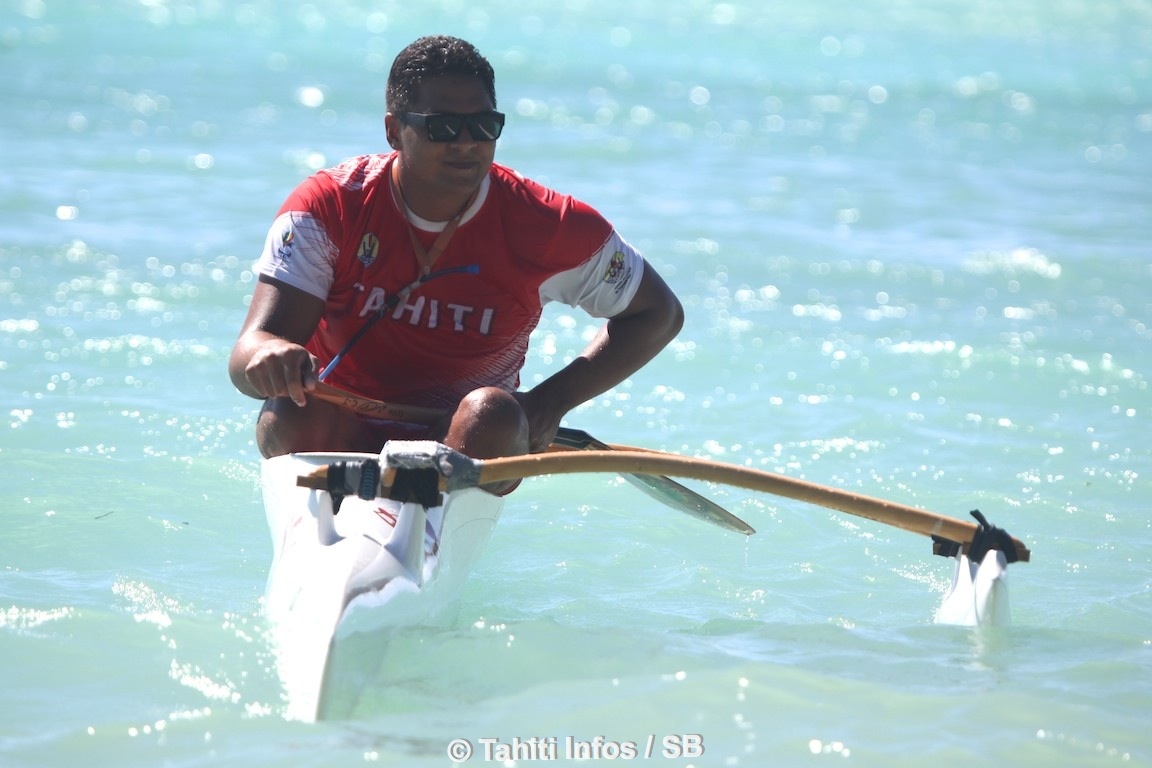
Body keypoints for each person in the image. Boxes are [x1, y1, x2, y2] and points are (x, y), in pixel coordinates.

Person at [228, 35, 683, 492]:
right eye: (442, 127)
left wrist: (550, 402)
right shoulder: (328, 207)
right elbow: (248, 353)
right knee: (288, 413)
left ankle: (432, 502)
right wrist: (268, 356)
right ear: (393, 131)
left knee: (493, 412)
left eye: (484, 125)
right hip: (340, 426)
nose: (467, 143)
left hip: (466, 438)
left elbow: (659, 314)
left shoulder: (547, 225)